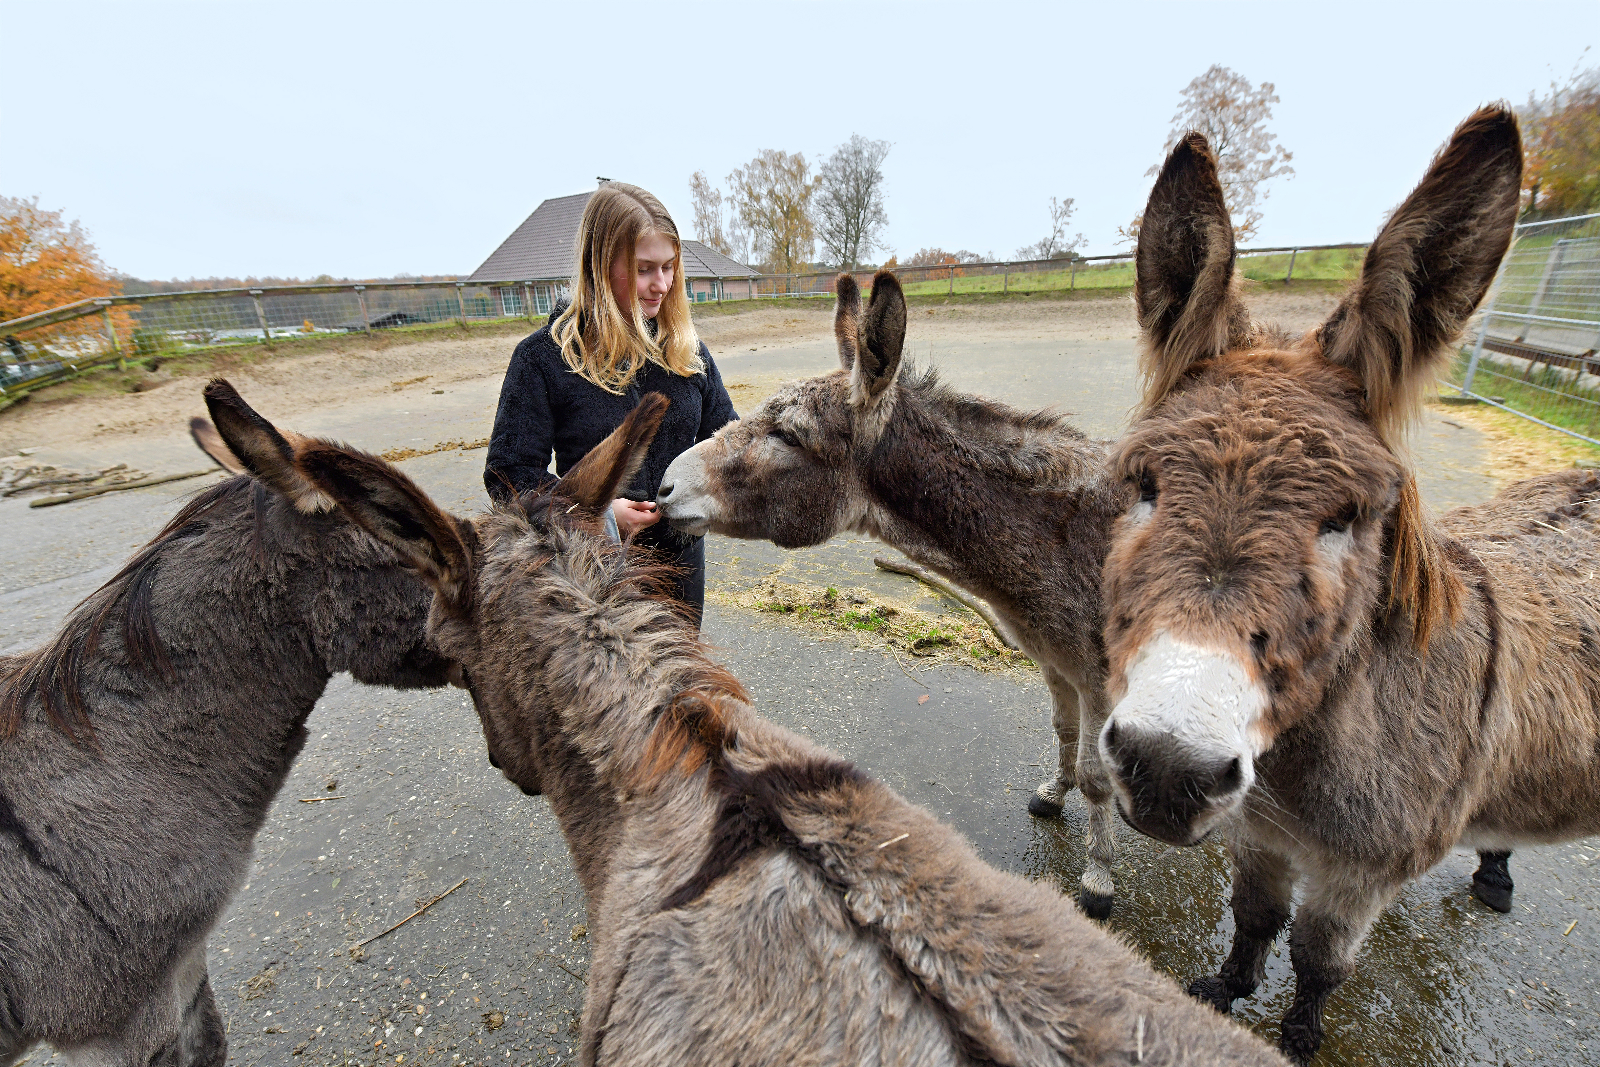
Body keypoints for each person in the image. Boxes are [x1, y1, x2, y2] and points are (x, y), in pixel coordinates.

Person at [484, 182, 736, 627]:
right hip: (591, 573)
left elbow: (727, 436)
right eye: (644, 269)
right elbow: (509, 473)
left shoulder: (686, 352)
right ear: (600, 266)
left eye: (669, 268)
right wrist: (596, 515)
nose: (662, 285)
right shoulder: (543, 358)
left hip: (681, 568)